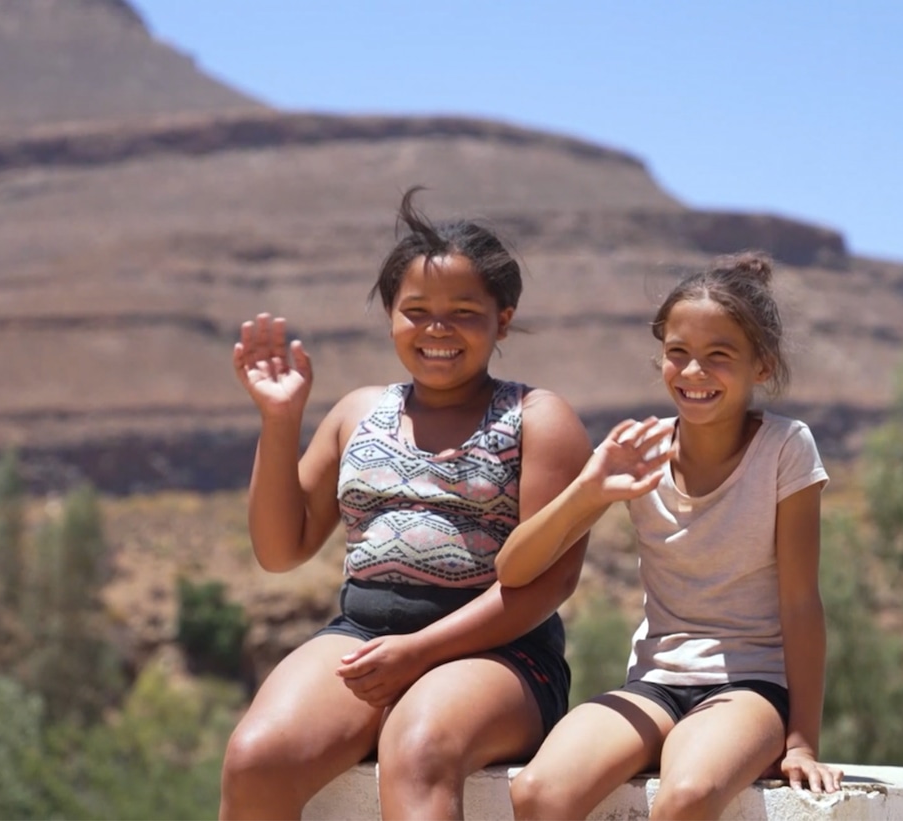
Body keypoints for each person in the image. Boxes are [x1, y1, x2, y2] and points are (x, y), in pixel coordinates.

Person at [219, 187, 593, 821]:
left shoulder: (538, 418)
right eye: (415, 310)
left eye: (463, 311)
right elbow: (281, 550)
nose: (437, 329)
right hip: (364, 637)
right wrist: (281, 420)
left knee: (418, 754)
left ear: (502, 319)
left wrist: (419, 654)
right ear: (390, 315)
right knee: (257, 759)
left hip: (501, 654)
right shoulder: (358, 413)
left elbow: (548, 582)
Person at [498, 252, 845, 820]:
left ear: (761, 365)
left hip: (750, 686)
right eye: (678, 354)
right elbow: (513, 569)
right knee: (539, 792)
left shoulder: (786, 448)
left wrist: (802, 740)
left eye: (718, 356)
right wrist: (589, 489)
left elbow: (801, 603)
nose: (693, 372)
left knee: (684, 798)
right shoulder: (639, 451)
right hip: (654, 683)